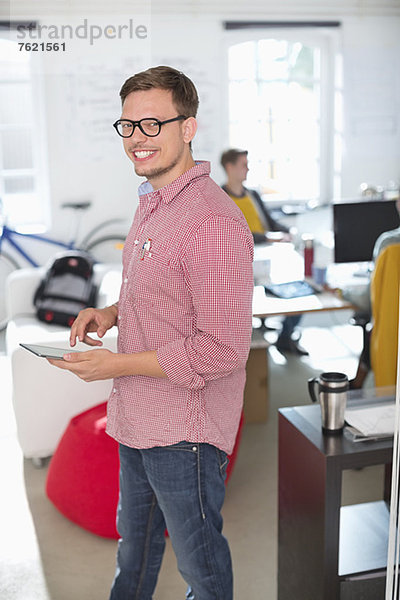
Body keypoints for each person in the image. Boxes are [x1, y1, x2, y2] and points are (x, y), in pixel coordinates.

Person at [48, 66, 254, 600]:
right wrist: (112, 313)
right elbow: (168, 291)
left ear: (188, 127)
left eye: (152, 124)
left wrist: (114, 364)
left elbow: (224, 348)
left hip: (184, 431)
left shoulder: (213, 219)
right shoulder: (152, 201)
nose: (138, 138)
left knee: (201, 569)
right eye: (128, 126)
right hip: (137, 416)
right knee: (134, 552)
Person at [220, 148, 308, 356]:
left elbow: (269, 221)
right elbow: (231, 232)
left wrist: (287, 231)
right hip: (239, 257)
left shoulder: (253, 195)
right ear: (229, 167)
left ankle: (285, 336)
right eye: (243, 164)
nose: (248, 169)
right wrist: (268, 237)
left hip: (269, 253)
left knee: (299, 289)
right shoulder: (220, 197)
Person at [340, 201, 400, 387]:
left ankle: (357, 384)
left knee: (367, 321)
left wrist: (341, 291)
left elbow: (368, 300)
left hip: (392, 340)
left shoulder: (389, 243)